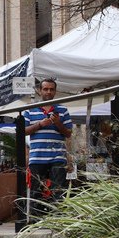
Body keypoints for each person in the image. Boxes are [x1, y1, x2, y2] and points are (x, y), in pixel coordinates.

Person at [24, 77, 73, 218]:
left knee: (59, 190)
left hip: (57, 156)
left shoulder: (62, 110)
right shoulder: (30, 110)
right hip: (37, 157)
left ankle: (58, 218)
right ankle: (35, 219)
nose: (48, 92)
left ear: (55, 91)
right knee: (36, 190)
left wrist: (58, 124)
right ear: (40, 91)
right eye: (45, 89)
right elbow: (23, 131)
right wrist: (40, 124)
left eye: (51, 89)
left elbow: (68, 133)